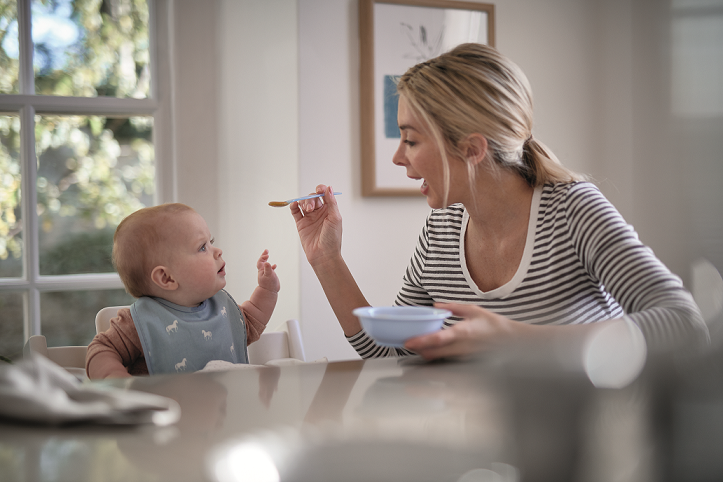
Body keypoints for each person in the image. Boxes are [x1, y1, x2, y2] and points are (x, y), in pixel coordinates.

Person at [291, 43, 708, 360]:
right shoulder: (442, 229)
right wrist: (327, 261)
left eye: (411, 139)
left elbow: (683, 324)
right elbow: (394, 353)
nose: (398, 157)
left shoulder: (573, 211)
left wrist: (512, 338)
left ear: (472, 149)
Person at [86, 203, 280, 378]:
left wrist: (267, 290)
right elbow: (101, 349)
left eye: (211, 241)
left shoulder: (222, 309)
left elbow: (252, 319)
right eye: (203, 247)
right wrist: (117, 380)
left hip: (228, 414)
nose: (217, 250)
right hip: (169, 414)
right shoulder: (139, 323)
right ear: (167, 278)